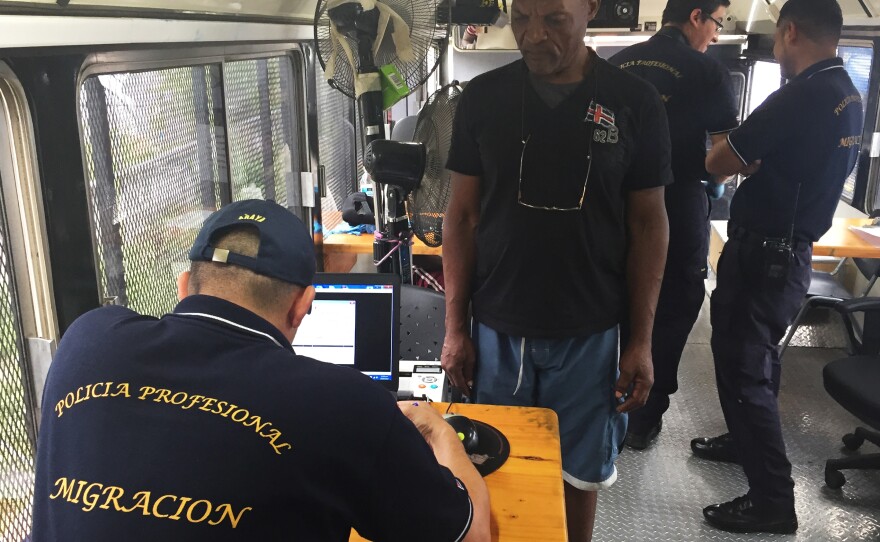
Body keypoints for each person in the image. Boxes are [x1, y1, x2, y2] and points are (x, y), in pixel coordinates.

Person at [32, 199, 490, 542]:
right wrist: (441, 435)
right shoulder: (343, 404)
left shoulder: (86, 339)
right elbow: (470, 535)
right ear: (303, 306)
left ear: (185, 286)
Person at [441, 0, 673, 539]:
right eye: (521, 17)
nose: (533, 34)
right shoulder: (484, 99)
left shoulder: (634, 101)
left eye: (553, 18)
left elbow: (648, 225)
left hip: (591, 332)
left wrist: (641, 341)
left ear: (589, 9)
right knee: (493, 468)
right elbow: (462, 217)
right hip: (498, 329)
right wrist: (455, 328)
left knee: (578, 477)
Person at [694, 0, 863, 533]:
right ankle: (742, 442)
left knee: (744, 368)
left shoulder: (800, 96)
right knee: (756, 362)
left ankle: (772, 500)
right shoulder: (849, 93)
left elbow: (718, 162)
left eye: (777, 40)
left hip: (764, 255)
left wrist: (739, 152)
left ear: (790, 32)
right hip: (789, 253)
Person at [609, 0, 739, 450]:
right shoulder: (709, 74)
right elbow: (724, 157)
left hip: (613, 210)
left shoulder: (617, 63)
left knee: (616, 300)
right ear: (696, 17)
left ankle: (602, 401)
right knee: (671, 307)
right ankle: (643, 417)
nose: (717, 36)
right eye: (717, 23)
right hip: (678, 205)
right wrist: (715, 179)